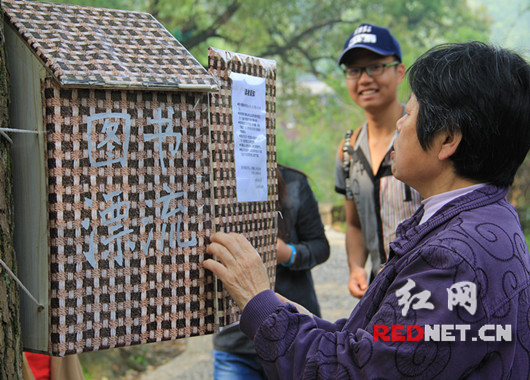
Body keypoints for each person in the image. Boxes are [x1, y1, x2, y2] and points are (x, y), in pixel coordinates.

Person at [204, 41, 530, 379]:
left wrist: (258, 299)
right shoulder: (488, 218)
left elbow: (353, 372)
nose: (400, 126)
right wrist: (288, 312)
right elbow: (383, 346)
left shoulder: (454, 260)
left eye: (409, 113)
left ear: (447, 138)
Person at [211, 164, 330, 379]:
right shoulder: (215, 183)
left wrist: (288, 254)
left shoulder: (293, 182)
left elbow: (320, 246)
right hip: (235, 341)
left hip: (293, 335)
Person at [334, 23, 422, 298]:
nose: (364, 79)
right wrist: (356, 267)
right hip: (378, 290)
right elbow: (354, 224)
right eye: (354, 71)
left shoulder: (423, 137)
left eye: (375, 67)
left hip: (428, 284)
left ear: (399, 71)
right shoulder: (348, 150)